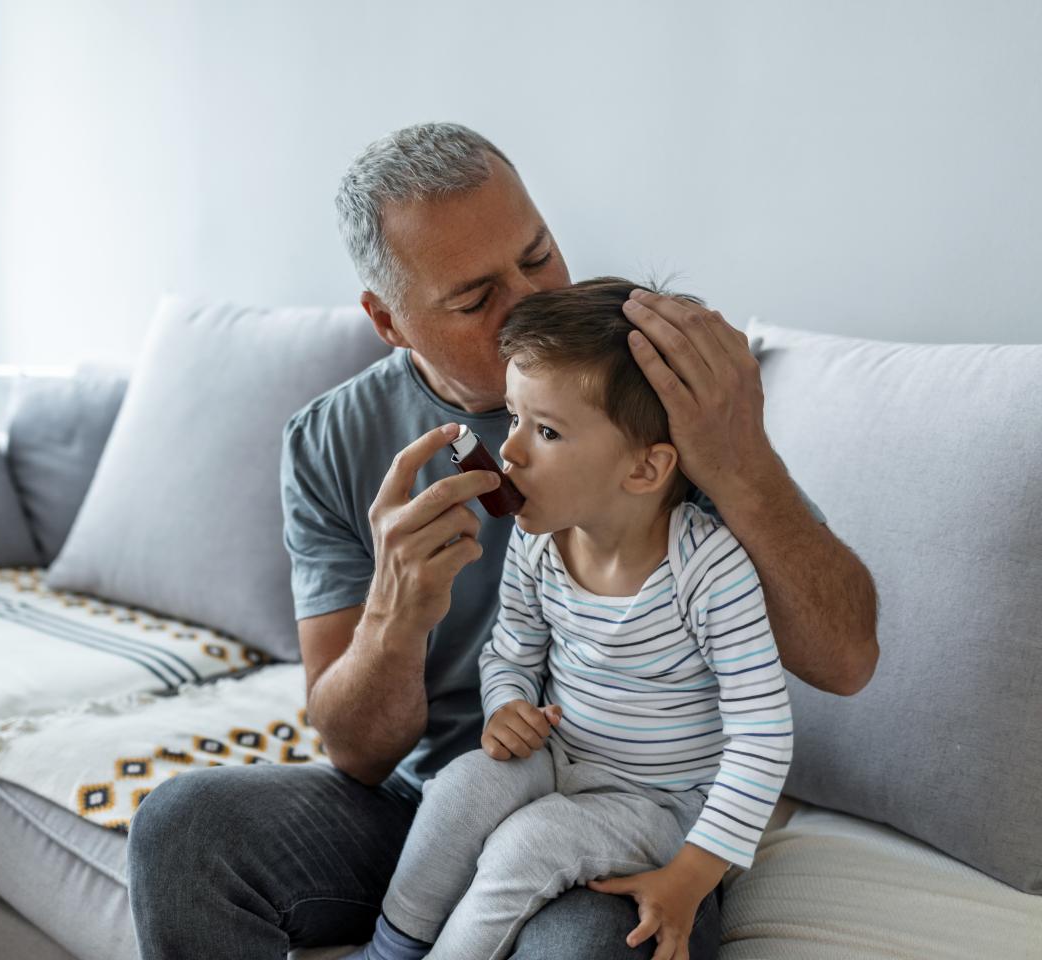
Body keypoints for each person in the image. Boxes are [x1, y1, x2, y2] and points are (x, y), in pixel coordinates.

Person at [127, 122, 877, 960]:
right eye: (475, 298)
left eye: (538, 256)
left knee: (590, 944)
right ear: (388, 320)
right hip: (436, 801)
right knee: (182, 828)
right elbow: (355, 753)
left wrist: (742, 464)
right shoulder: (330, 440)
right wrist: (395, 616)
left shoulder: (645, 390)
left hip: (630, 815)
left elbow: (844, 660)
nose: (528, 305)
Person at [344, 279, 792, 960]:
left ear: (645, 469)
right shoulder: (537, 539)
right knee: (462, 789)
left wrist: (692, 875)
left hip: (667, 804)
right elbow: (510, 652)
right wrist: (508, 705)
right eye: (515, 417)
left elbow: (762, 736)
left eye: (546, 431)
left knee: (530, 844)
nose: (513, 452)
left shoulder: (709, 570)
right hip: (562, 755)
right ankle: (389, 949)